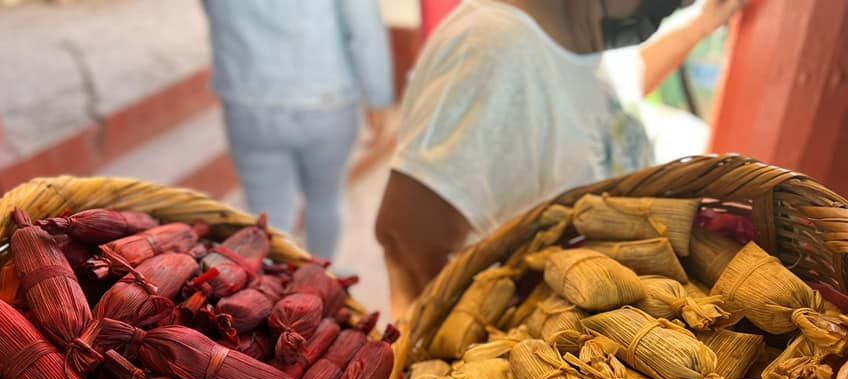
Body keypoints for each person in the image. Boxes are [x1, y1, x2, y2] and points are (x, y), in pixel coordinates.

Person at [375, 0, 748, 317]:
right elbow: (405, 239)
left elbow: (616, 85)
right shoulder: (493, 48)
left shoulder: (586, 42)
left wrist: (702, 25)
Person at [202, 0, 394, 261]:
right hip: (327, 99)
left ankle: (272, 292)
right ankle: (318, 282)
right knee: (324, 201)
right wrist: (377, 96)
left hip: (248, 100)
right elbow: (364, 27)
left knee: (267, 215)